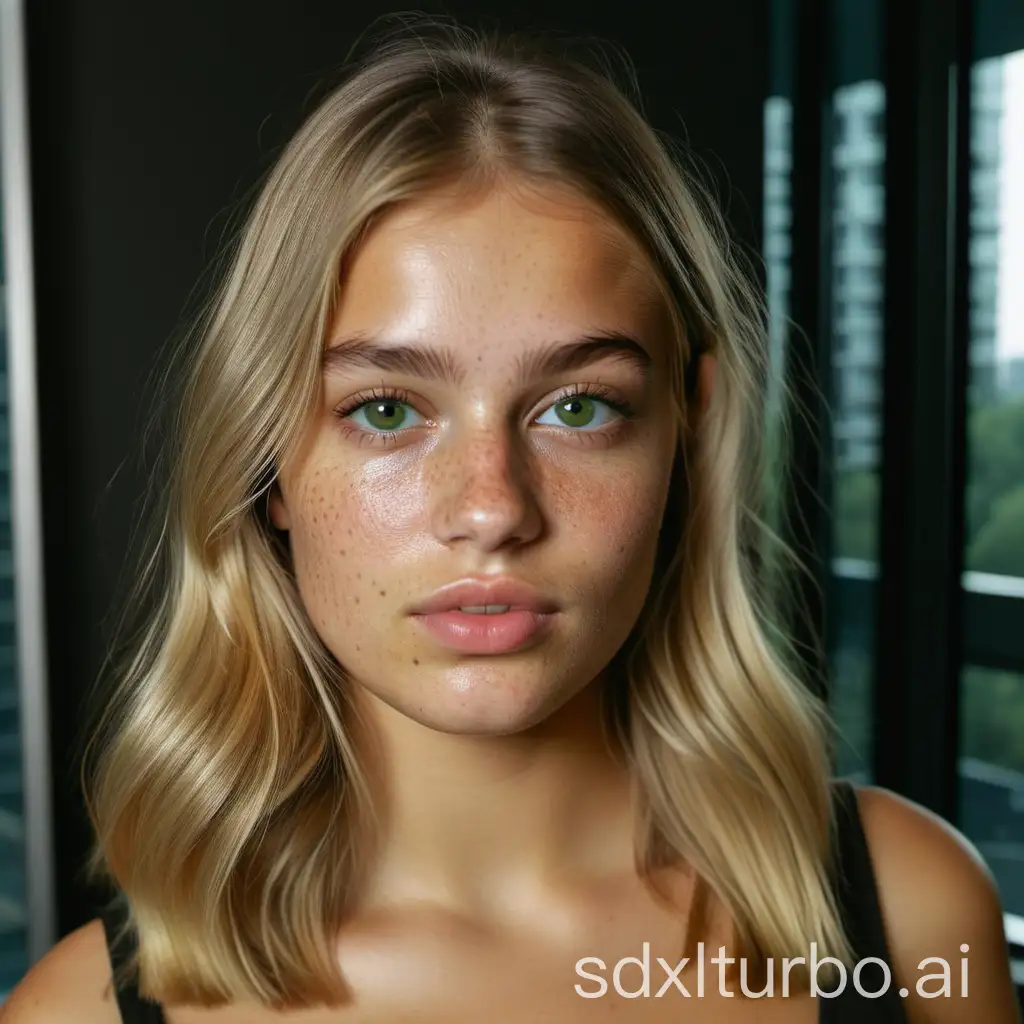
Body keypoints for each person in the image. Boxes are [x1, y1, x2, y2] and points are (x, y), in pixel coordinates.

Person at [2, 16, 1019, 1024]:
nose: (491, 508)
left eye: (578, 407)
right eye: (386, 411)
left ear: (688, 435)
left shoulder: (908, 917)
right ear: (267, 459)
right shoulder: (75, 1013)